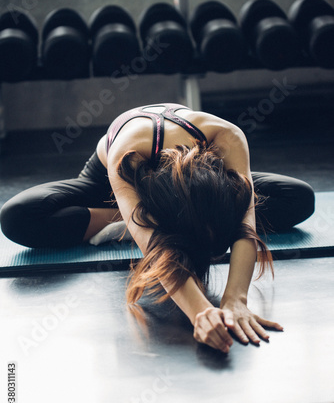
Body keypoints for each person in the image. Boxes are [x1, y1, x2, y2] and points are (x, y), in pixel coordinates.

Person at [0, 103, 315, 353]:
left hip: (202, 181)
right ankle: (127, 218)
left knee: (298, 198)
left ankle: (136, 219)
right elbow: (156, 248)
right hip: (108, 180)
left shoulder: (227, 137)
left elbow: (245, 223)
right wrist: (199, 312)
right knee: (18, 217)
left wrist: (236, 299)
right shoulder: (128, 154)